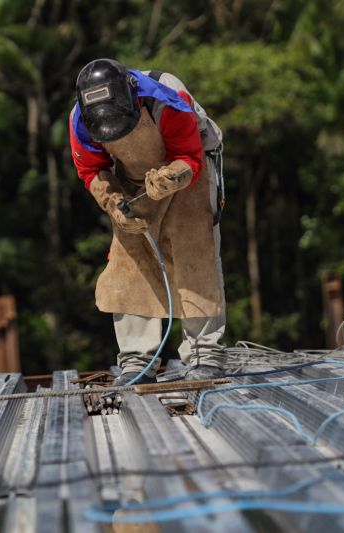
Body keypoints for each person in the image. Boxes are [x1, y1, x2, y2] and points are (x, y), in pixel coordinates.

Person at [68, 58, 226, 384]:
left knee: (194, 253)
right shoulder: (80, 121)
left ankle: (204, 353)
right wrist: (113, 202)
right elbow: (91, 170)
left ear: (131, 98)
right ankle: (137, 360)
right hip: (129, 180)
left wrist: (171, 178)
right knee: (130, 262)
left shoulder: (168, 99)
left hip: (187, 171)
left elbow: (191, 158)